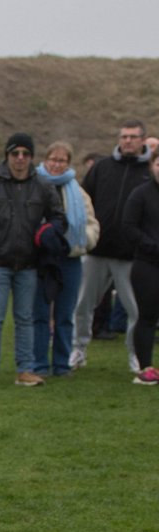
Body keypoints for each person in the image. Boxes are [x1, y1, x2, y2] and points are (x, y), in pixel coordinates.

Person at [0, 132, 65, 387]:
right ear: (7, 155)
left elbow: (59, 217)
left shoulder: (42, 185)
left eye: (25, 153)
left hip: (28, 263)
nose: (20, 158)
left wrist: (48, 232)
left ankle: (25, 370)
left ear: (31, 157)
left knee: (25, 318)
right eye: (15, 153)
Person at [71, 121, 152, 372]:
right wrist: (87, 235)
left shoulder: (149, 171)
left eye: (133, 137)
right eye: (124, 136)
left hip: (131, 254)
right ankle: (78, 349)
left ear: (143, 140)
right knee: (83, 305)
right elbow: (83, 201)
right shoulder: (102, 167)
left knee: (135, 310)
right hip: (97, 250)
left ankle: (136, 355)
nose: (127, 141)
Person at [32, 141, 100, 377]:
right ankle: (39, 363)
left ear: (68, 164)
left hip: (69, 258)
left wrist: (81, 242)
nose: (56, 164)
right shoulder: (33, 187)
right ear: (45, 160)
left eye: (62, 161)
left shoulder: (78, 193)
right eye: (53, 159)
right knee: (40, 313)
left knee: (65, 314)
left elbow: (91, 225)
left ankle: (61, 364)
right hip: (40, 258)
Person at [122, 147, 159, 384]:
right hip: (148, 264)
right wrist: (152, 246)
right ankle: (146, 368)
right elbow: (128, 227)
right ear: (152, 165)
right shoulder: (141, 194)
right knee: (147, 316)